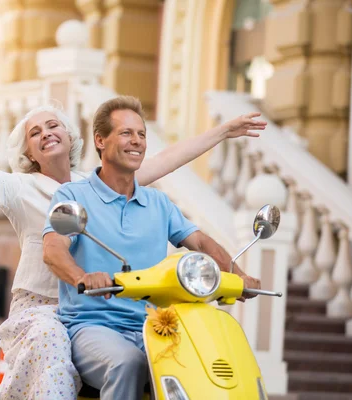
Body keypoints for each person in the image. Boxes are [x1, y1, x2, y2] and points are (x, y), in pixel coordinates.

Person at [0, 95, 265, 400]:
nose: (45, 133)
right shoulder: (19, 188)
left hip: (106, 304)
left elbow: (166, 161)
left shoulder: (96, 184)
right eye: (34, 133)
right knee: (54, 354)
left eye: (52, 125)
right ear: (29, 152)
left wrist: (223, 131)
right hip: (43, 306)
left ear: (73, 135)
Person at [43, 96, 261, 400]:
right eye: (126, 133)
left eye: (141, 134)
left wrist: (238, 275)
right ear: (100, 141)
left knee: (209, 363)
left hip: (156, 326)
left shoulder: (158, 202)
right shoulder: (74, 194)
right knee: (127, 363)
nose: (137, 142)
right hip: (93, 328)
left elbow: (200, 242)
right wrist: (82, 276)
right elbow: (53, 249)